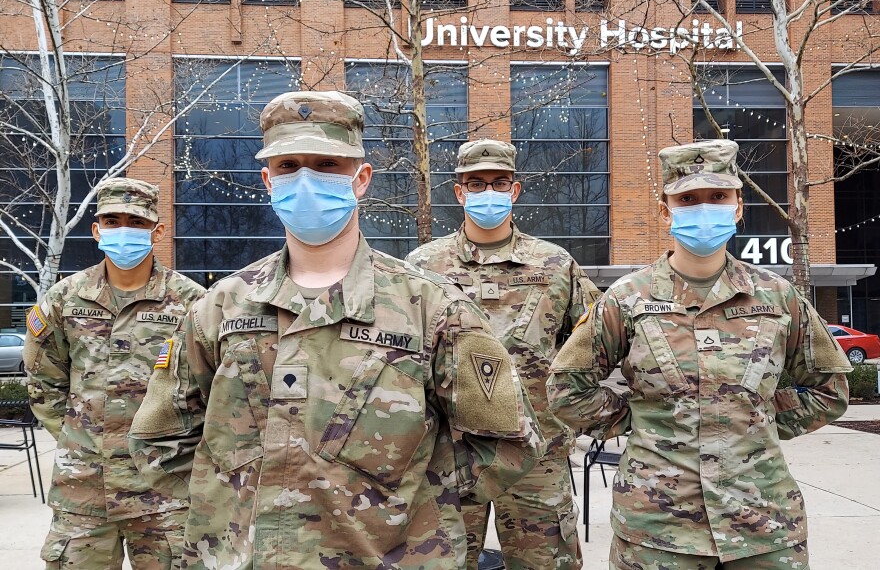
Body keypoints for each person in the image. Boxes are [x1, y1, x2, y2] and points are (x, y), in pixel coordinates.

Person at [128, 91, 544, 569]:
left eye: (327, 164)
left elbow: (509, 443)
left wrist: (408, 504)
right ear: (268, 180)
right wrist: (229, 502)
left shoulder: (432, 306)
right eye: (288, 166)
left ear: (360, 178)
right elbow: (159, 438)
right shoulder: (222, 306)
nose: (306, 180)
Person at [547, 139, 851, 569]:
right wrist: (636, 418)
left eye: (717, 196)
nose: (703, 208)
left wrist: (753, 417)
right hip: (658, 526)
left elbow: (830, 388)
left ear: (738, 206)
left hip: (763, 523)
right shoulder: (627, 299)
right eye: (687, 199)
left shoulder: (779, 297)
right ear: (665, 210)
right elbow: (566, 388)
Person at [406, 139, 597, 569]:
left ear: (515, 190)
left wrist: (575, 415)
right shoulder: (422, 267)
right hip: (450, 454)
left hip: (537, 455)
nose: (487, 191)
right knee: (442, 561)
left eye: (499, 182)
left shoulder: (555, 265)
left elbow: (592, 348)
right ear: (459, 191)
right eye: (476, 183)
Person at [24, 178, 205, 569]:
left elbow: (209, 394)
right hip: (84, 493)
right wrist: (85, 440)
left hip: (165, 492)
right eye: (112, 219)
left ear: (157, 230)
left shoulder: (194, 303)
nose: (124, 229)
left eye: (136, 222)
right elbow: (45, 385)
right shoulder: (65, 298)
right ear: (96, 229)